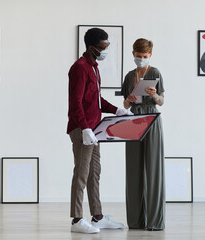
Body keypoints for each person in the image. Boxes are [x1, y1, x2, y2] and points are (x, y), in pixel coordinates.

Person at [67, 28, 132, 234]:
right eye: (103, 48)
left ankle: (98, 217)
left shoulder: (94, 67)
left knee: (94, 173)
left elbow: (96, 100)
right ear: (92, 47)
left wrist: (117, 110)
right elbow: (75, 102)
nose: (105, 51)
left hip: (95, 130)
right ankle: (77, 220)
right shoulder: (79, 68)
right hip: (82, 129)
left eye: (107, 47)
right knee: (81, 173)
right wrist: (85, 127)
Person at [121, 38, 165, 231]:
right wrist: (129, 100)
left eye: (145, 57)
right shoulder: (129, 76)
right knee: (133, 169)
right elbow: (124, 104)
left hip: (152, 117)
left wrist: (154, 95)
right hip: (133, 119)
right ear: (133, 54)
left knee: (154, 168)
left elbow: (161, 101)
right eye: (138, 56)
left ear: (150, 55)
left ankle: (154, 222)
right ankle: (136, 221)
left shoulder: (155, 72)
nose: (141, 59)